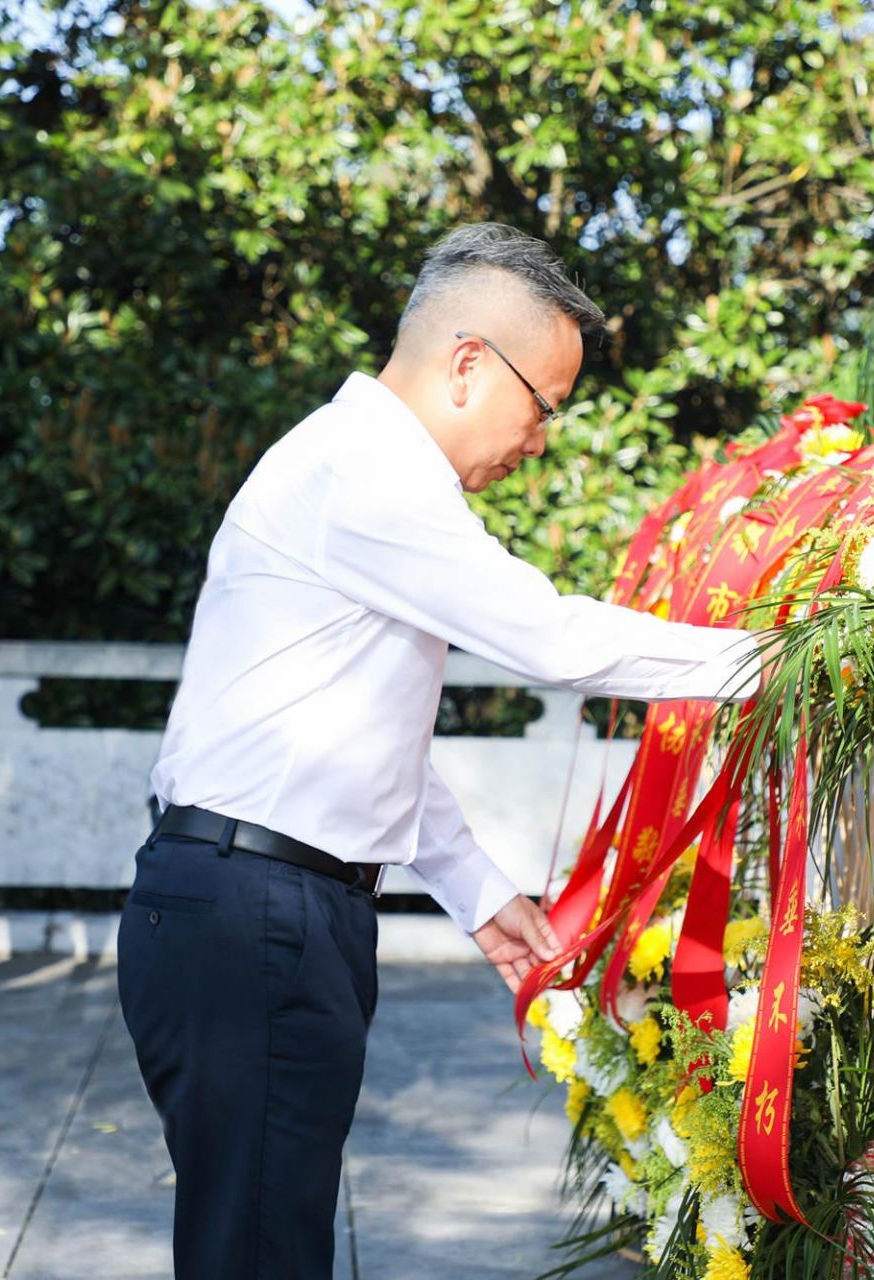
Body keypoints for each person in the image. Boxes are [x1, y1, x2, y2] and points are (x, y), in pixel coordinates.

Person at [118, 223, 763, 1279]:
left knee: (260, 1241)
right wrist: (775, 659)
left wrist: (473, 887)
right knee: (261, 1254)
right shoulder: (368, 475)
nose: (541, 437)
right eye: (544, 404)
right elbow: (553, 636)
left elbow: (362, 736)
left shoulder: (352, 467)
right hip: (256, 913)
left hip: (255, 904)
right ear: (471, 362)